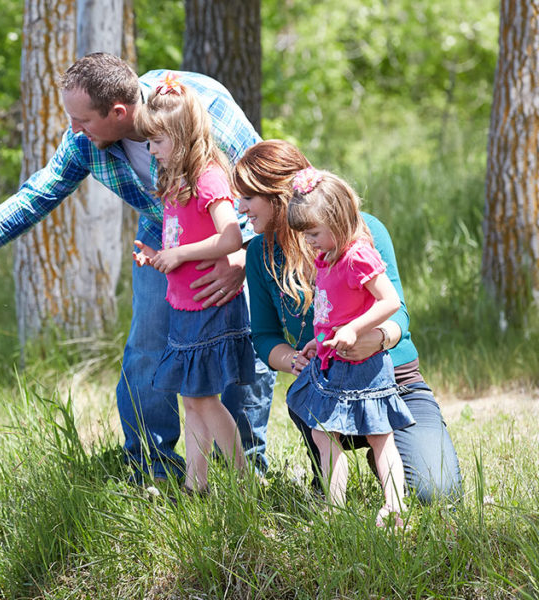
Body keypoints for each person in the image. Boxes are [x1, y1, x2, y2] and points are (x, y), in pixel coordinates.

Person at [0, 52, 276, 482]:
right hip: (164, 234)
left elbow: (266, 186)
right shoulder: (83, 143)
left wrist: (246, 256)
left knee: (241, 348)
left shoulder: (202, 104)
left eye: (82, 120)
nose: (73, 130)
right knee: (149, 348)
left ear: (118, 112)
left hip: (235, 234)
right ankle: (154, 471)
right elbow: (34, 196)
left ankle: (248, 472)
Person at [233, 139, 463, 505]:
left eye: (247, 197)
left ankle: (388, 451)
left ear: (278, 195)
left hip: (391, 380)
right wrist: (293, 360)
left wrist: (376, 338)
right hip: (328, 382)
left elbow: (397, 309)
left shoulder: (361, 230)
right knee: (304, 398)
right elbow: (263, 336)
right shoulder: (261, 253)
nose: (240, 208)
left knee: (438, 494)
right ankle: (330, 485)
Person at [130, 73, 254, 492]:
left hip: (210, 306)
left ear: (182, 138)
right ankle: (195, 486)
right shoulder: (176, 181)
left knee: (204, 399)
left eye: (158, 142)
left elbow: (231, 236)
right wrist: (158, 258)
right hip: (185, 305)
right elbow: (182, 237)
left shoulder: (209, 177)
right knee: (191, 398)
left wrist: (179, 255)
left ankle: (242, 484)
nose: (151, 151)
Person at [283, 166, 415, 524]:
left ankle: (395, 506)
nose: (308, 241)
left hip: (364, 366)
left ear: (338, 220)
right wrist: (319, 340)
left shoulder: (357, 255)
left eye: (313, 232)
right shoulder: (327, 257)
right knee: (323, 432)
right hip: (334, 361)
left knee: (379, 436)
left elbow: (389, 302)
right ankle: (335, 506)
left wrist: (355, 330)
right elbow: (333, 312)